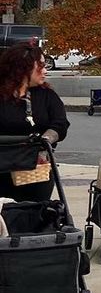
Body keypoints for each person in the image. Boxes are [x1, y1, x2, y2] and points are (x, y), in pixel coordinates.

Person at [0, 44, 69, 200]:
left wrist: (46, 140)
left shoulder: (47, 96)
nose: (45, 71)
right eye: (41, 66)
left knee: (35, 211)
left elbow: (60, 124)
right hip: (3, 167)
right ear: (23, 69)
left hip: (36, 169)